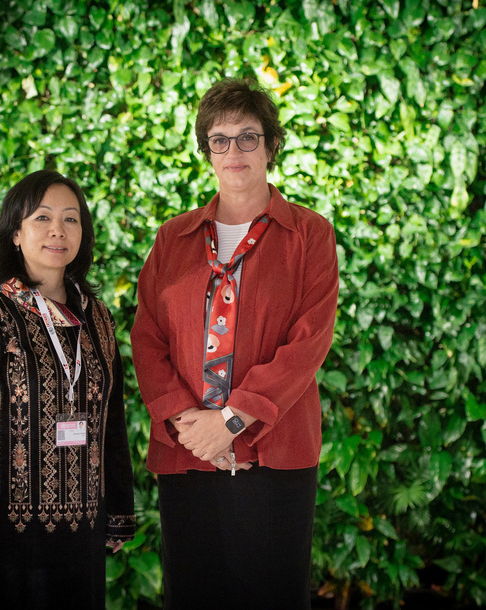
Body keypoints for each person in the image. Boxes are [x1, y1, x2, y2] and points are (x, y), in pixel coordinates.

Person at [131, 78, 339, 609]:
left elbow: (308, 341)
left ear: (271, 145)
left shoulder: (311, 235)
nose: (233, 150)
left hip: (275, 457)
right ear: (206, 151)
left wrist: (229, 422)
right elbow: (147, 336)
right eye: (219, 139)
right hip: (188, 454)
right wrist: (190, 425)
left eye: (249, 136)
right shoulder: (171, 238)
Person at [0, 170, 135, 609]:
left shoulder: (98, 318)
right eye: (42, 218)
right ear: (16, 232)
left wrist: (118, 509)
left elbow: (112, 418)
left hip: (82, 531)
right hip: (5, 535)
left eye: (71, 219)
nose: (57, 231)